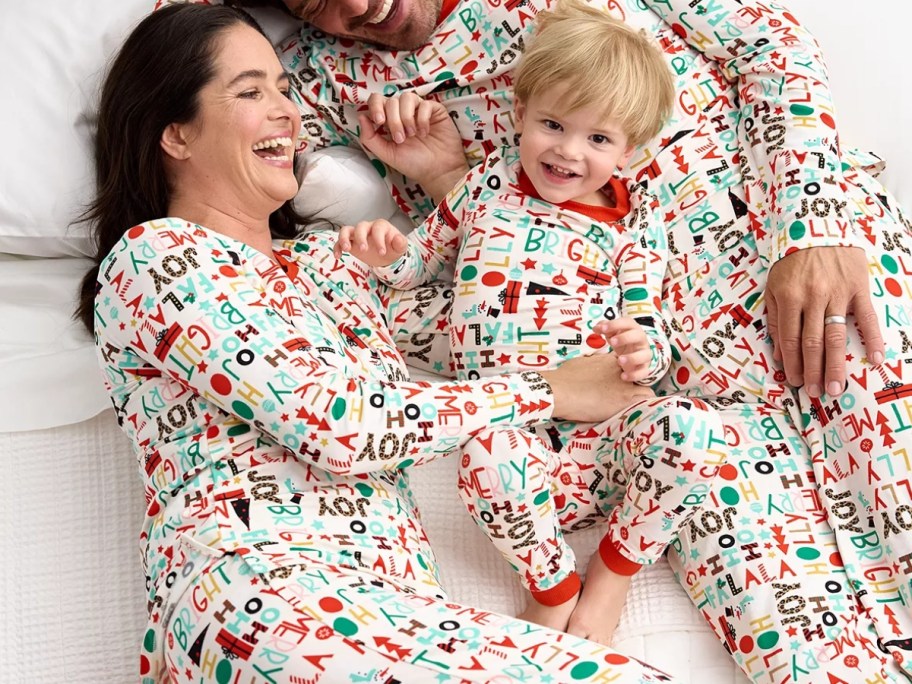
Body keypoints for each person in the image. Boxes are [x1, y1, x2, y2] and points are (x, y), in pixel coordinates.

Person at [225, 0, 912, 681]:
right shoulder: (316, 76)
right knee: (794, 645)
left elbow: (771, 41)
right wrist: (443, 182)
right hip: (659, 373)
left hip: (808, 266)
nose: (354, 5)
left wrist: (815, 224)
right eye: (313, 2)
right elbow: (214, 147)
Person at [76, 4, 685, 682]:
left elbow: (481, 314)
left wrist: (440, 176)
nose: (285, 111)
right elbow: (339, 423)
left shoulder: (329, 263)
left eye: (283, 87)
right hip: (266, 600)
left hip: (401, 611)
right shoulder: (157, 256)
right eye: (250, 91)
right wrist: (550, 392)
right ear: (176, 135)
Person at [333, 0, 725, 645]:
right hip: (520, 444)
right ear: (519, 114)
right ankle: (551, 584)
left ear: (631, 150)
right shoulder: (487, 185)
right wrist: (387, 257)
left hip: (603, 442)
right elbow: (423, 262)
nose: (569, 152)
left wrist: (640, 354)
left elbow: (651, 330)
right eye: (552, 124)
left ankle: (611, 575)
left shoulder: (633, 224)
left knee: (696, 432)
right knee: (482, 452)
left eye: (598, 139)